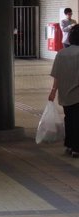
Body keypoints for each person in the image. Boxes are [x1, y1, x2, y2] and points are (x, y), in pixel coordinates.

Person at [48, 24, 79, 158]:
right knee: (77, 120)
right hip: (78, 93)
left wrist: (53, 91)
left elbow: (57, 74)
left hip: (65, 92)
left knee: (69, 118)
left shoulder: (61, 53)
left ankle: (69, 144)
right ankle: (76, 148)